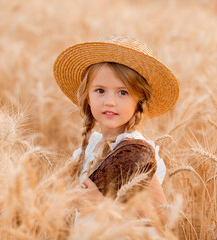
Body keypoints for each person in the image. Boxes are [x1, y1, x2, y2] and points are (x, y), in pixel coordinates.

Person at [53, 35, 179, 228]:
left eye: (123, 92)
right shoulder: (92, 146)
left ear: (140, 101)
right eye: (100, 90)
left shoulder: (135, 151)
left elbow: (162, 217)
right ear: (87, 97)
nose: (110, 101)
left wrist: (103, 205)